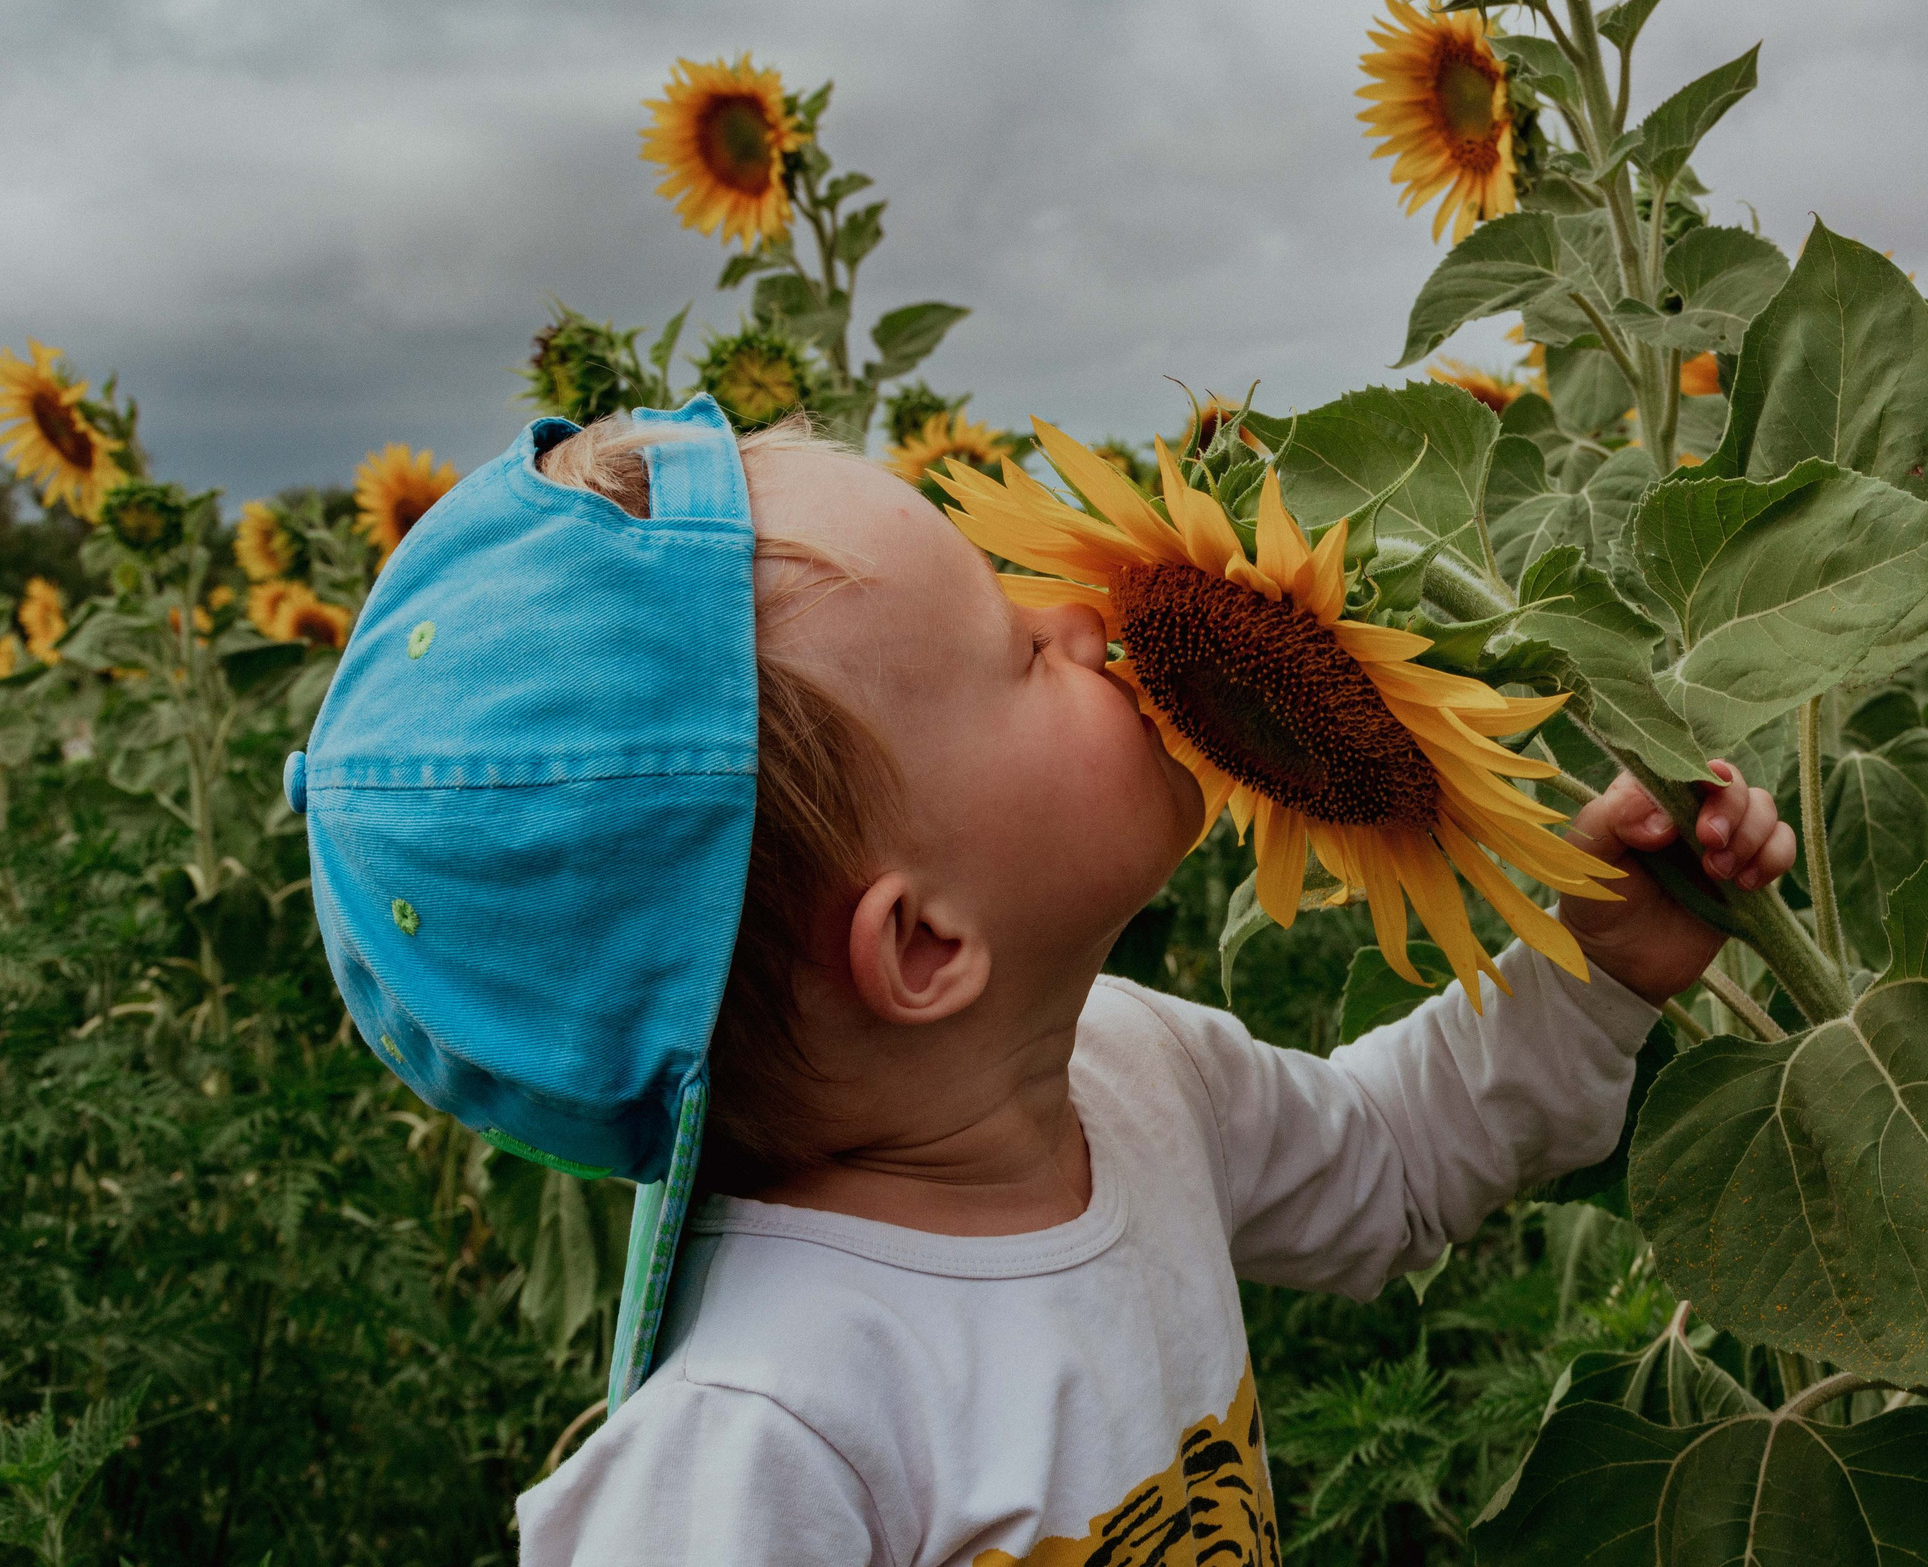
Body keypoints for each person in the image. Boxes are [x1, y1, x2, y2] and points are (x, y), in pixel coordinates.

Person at [289, 396, 1797, 1566]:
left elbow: (1390, 1165)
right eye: (1016, 650)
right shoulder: (766, 1439)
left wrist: (1596, 958)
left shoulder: (1130, 1076)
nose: (1089, 617)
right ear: (926, 947)